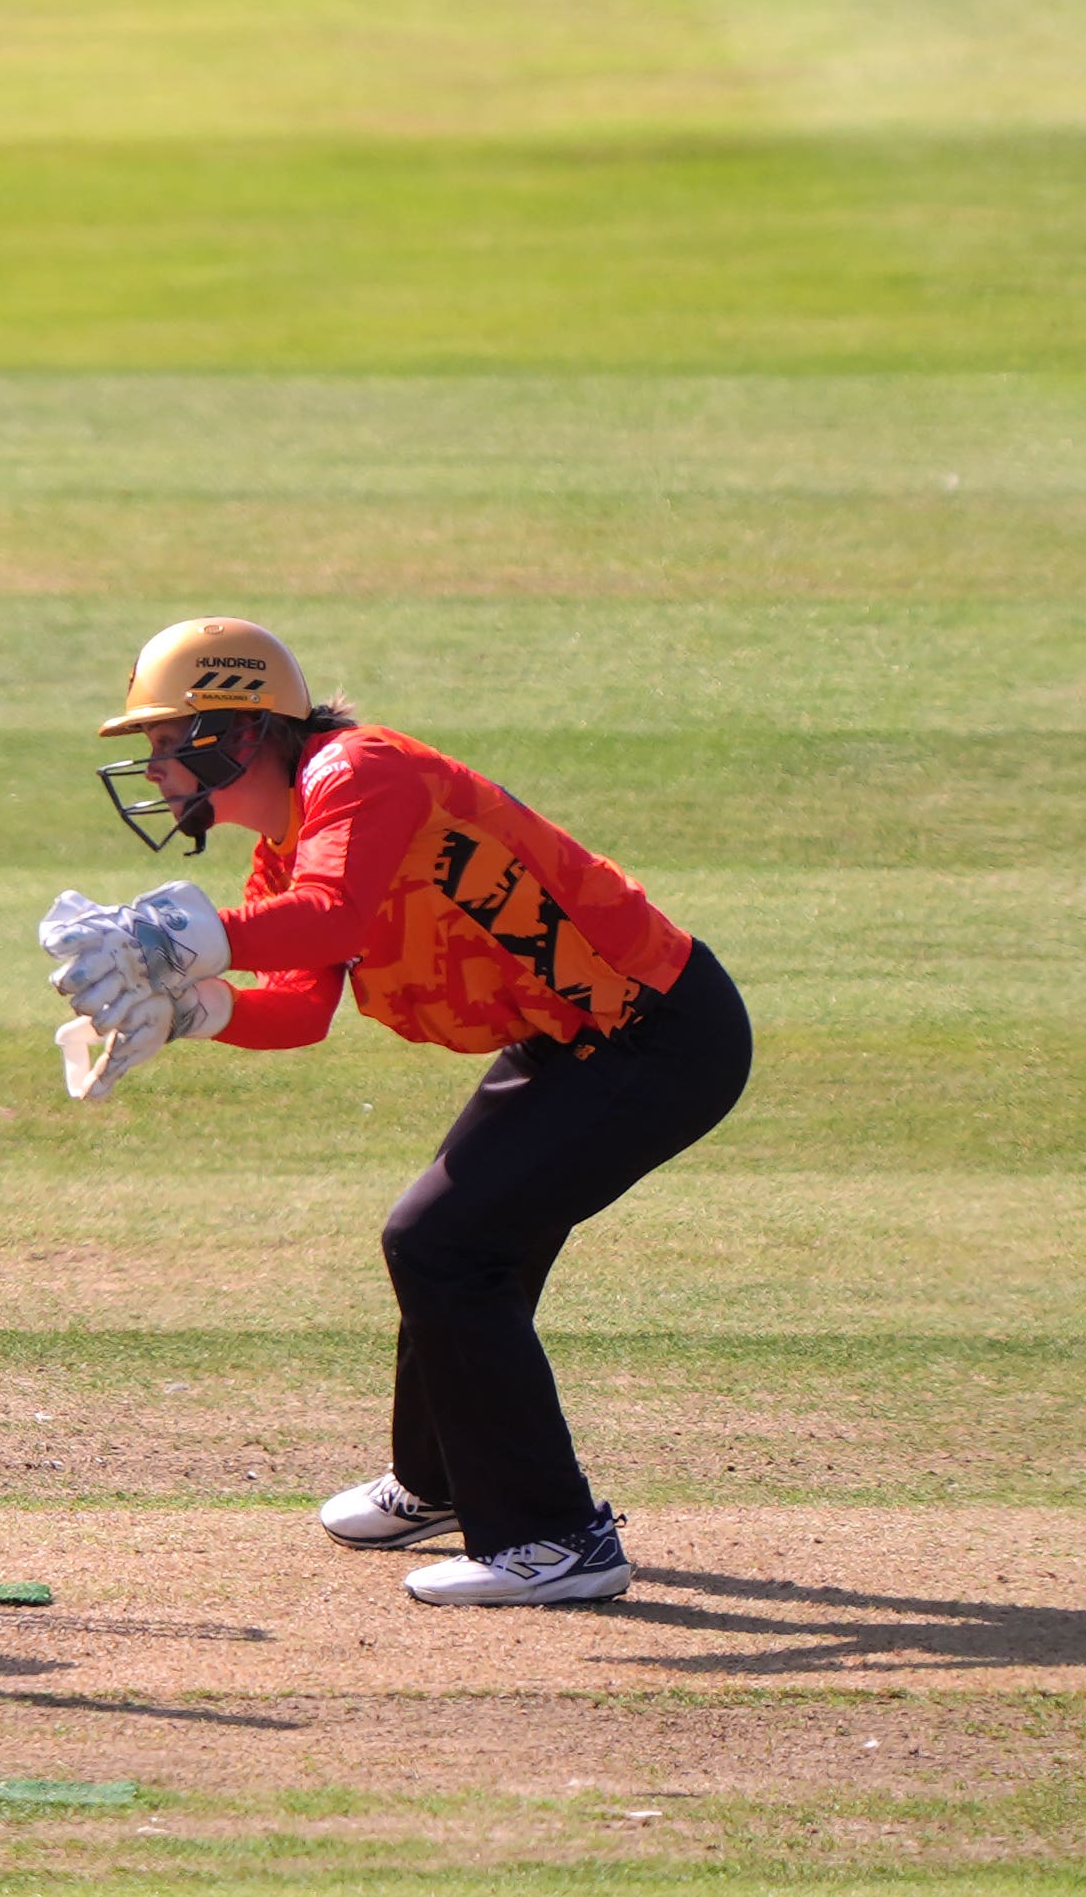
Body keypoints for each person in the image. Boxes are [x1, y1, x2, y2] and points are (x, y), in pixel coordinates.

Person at [39, 617, 750, 1606]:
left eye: (165, 743)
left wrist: (181, 937)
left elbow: (328, 914)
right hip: (572, 1040)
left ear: (235, 730)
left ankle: (556, 1537)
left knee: (444, 1246)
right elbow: (300, 1004)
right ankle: (442, 1483)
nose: (154, 770)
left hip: (658, 1037)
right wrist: (192, 1010)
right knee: (452, 1246)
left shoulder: (357, 772)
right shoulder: (291, 835)